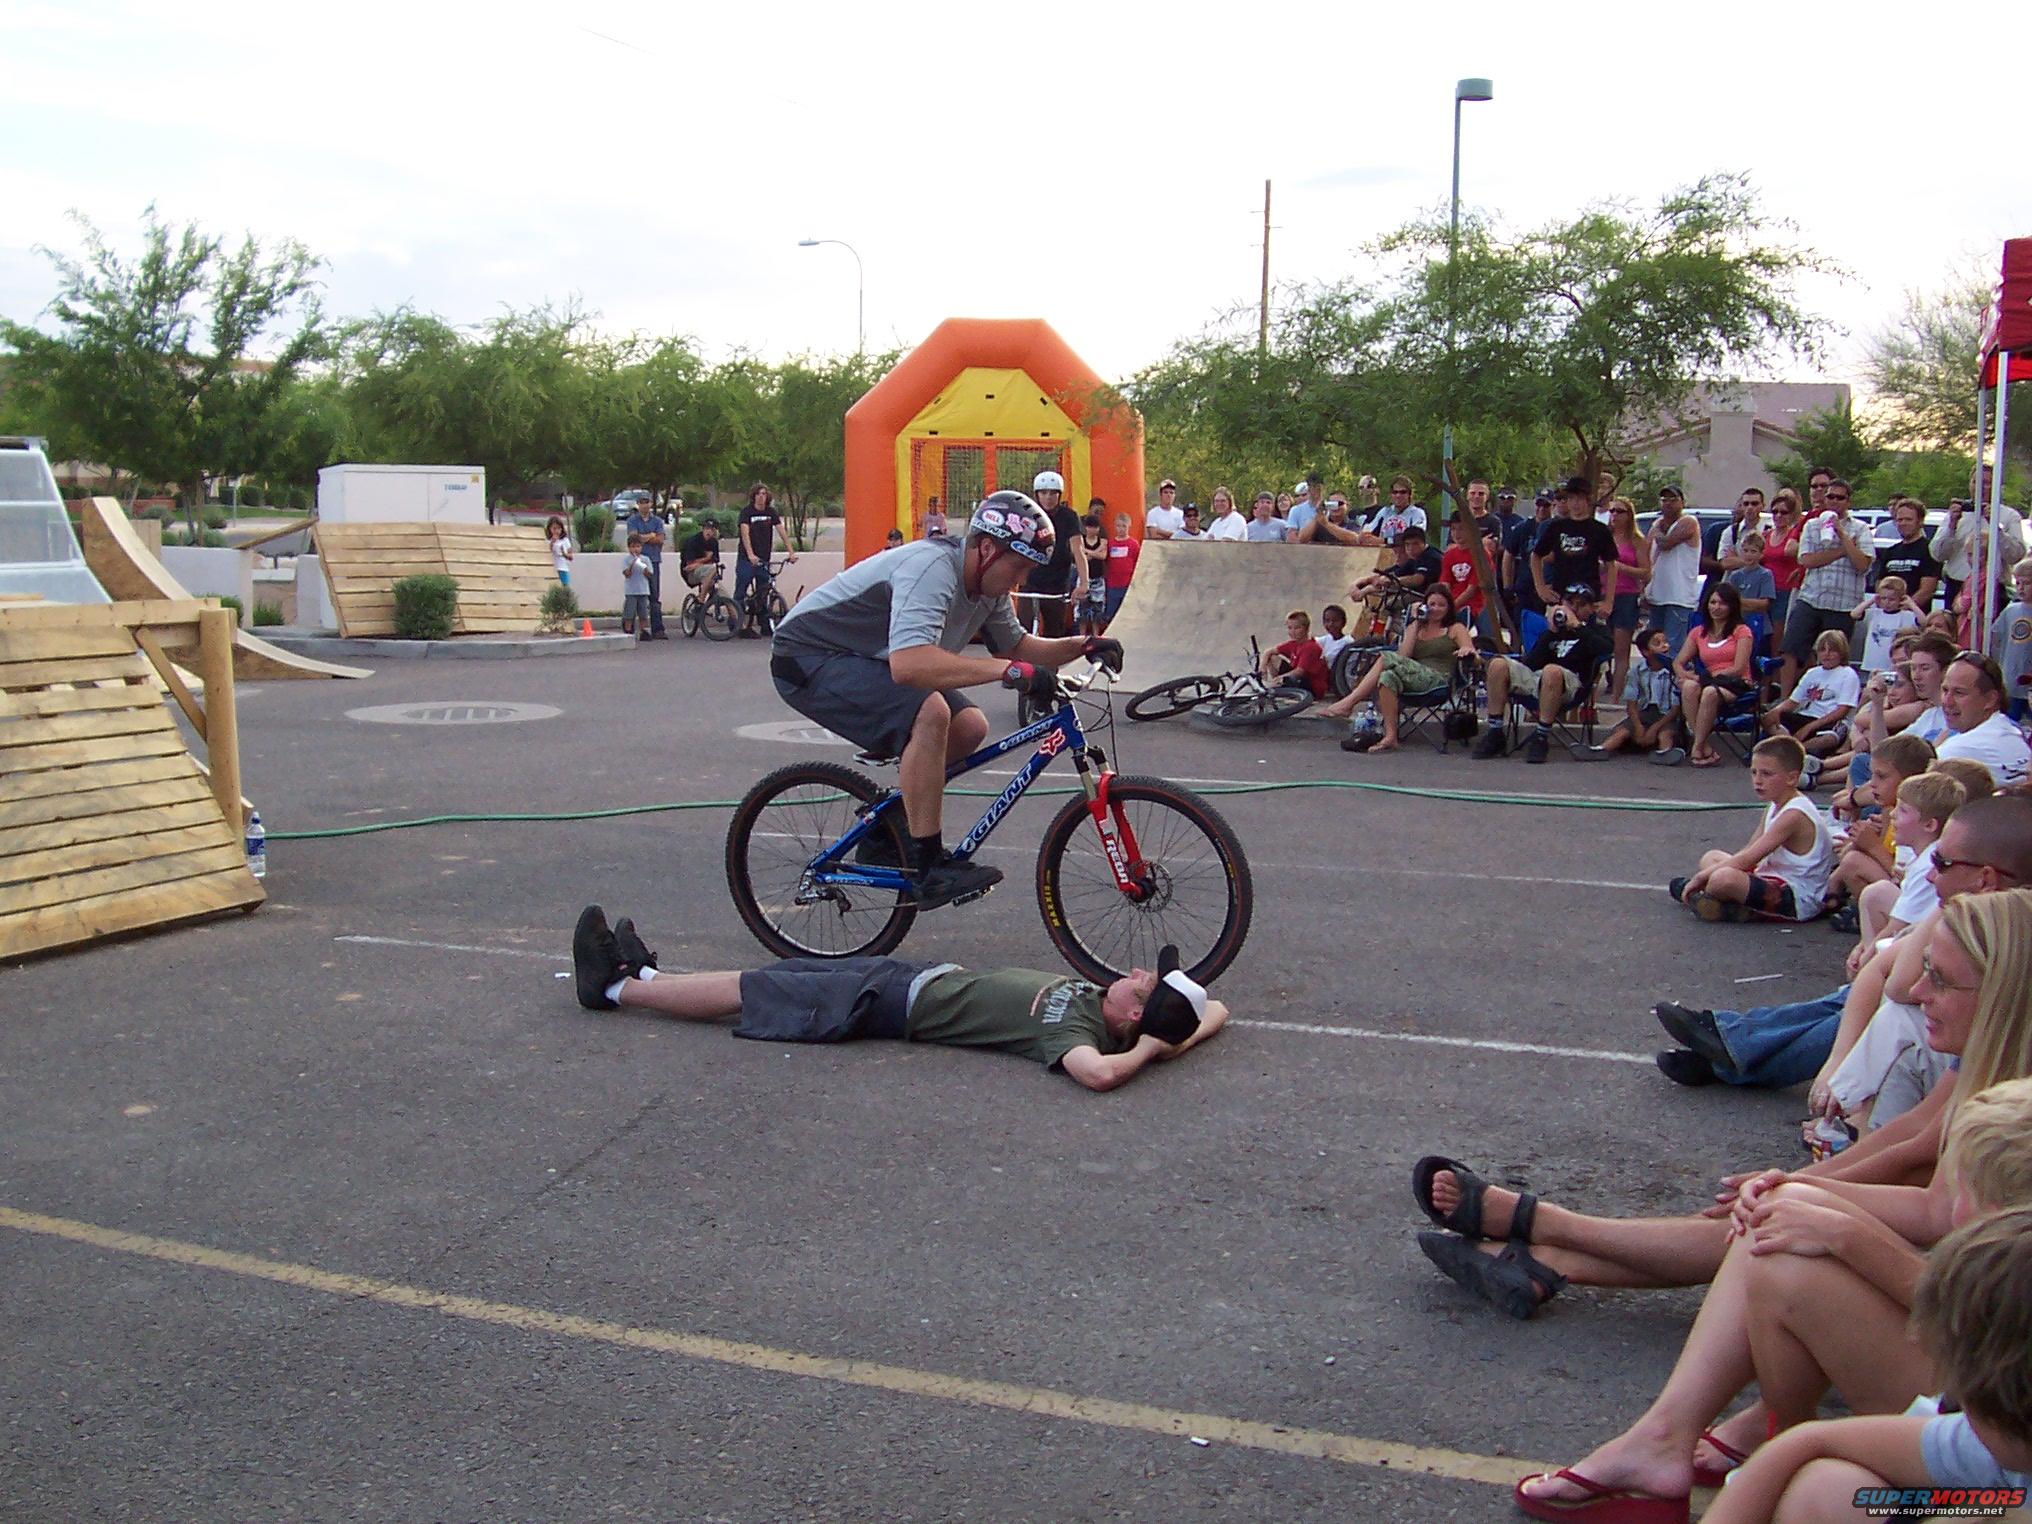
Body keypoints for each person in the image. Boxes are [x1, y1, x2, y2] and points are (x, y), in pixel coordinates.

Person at [1500, 893, 2032, 1519]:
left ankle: (1551, 1236)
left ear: (2002, 992)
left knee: (1781, 1252)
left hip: (1995, 1412)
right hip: (1984, 1412)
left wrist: (1842, 1232)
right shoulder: (1995, 1063)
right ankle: (1694, 1431)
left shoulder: (2016, 1123)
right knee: (1779, 1221)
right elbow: (1937, 1201)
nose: (1916, 992)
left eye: (1939, 979)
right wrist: (1800, 1188)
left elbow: (1979, 1307)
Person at [768, 491, 1122, 909]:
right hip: (806, 657)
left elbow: (1017, 646)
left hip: (867, 660)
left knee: (969, 726)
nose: (1021, 581)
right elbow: (909, 666)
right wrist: (1008, 672)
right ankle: (928, 866)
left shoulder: (988, 588)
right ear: (987, 549)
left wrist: (1083, 645)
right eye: (1019, 566)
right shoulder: (933, 569)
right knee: (931, 712)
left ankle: (886, 829)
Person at [570, 908, 1227, 1093]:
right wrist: (1169, 1040)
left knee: (756, 990)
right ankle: (647, 976)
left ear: (1134, 1014)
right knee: (779, 973)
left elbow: (1100, 1076)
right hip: (908, 974)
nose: (1135, 971)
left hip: (885, 1004)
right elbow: (1217, 1011)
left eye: (1144, 983)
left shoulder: (1078, 1037)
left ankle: (616, 988)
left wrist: (1146, 1048)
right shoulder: (1104, 1009)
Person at [1651, 796, 2032, 1091]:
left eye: (1942, 863)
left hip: (1947, 1048)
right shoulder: (1982, 913)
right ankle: (1731, 1040)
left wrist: (1945, 906)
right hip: (1929, 1014)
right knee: (1851, 999)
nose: (1932, 874)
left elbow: (1900, 986)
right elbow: (1879, 973)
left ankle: (1730, 1055)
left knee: (1887, 1011)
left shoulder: (2001, 932)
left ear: (1985, 880)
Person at [1700, 1197, 2032, 1524]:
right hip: (1994, 1501)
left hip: (1994, 1505)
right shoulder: (1993, 1445)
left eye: (1956, 1396)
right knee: (1826, 1488)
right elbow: (1809, 1440)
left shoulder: (2003, 1443)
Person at [1668, 735, 1832, 922]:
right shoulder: (1775, 805)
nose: (1758, 780)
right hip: (1769, 875)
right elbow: (1750, 849)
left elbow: (1749, 858)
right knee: (1711, 857)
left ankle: (1711, 899)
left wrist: (1700, 878)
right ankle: (1718, 903)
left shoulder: (1794, 814)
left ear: (1792, 778)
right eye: (1754, 772)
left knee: (1722, 879)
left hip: (1795, 895)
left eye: (1767, 774)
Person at [1471, 584, 1612, 763]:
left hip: (1572, 684)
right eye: (1570, 603)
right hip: (1539, 679)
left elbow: (1605, 649)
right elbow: (1531, 664)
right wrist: (1550, 633)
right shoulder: (1553, 630)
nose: (1574, 609)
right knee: (1497, 664)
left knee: (1551, 670)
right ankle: (1495, 732)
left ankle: (1541, 736)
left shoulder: (1595, 629)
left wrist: (1578, 627)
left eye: (1581, 604)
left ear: (1591, 608)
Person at [1329, 585, 1477, 754]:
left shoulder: (1455, 628)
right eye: (1432, 604)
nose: (1436, 609)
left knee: (1385, 658)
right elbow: (1403, 656)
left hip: (1439, 681)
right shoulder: (1417, 628)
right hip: (1413, 678)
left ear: (1449, 607)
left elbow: (1471, 651)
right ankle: (1391, 736)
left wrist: (1466, 650)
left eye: (1441, 605)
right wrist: (1415, 622)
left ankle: (1349, 703)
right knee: (1387, 676)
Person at [1779, 476, 1872, 696]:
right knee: (1790, 647)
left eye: (1840, 498)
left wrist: (1842, 534)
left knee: (1835, 654)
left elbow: (1862, 564)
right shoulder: (1812, 525)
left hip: (1843, 603)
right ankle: (1785, 698)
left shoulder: (1860, 528)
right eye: (1830, 497)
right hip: (1811, 598)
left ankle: (1830, 699)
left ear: (1848, 501)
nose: (1834, 501)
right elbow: (1806, 560)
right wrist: (1842, 551)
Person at [1673, 583, 1758, 768]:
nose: (1716, 607)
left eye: (1722, 603)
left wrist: (1707, 676)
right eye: (1713, 602)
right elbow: (1678, 662)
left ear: (1732, 606)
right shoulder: (1698, 632)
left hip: (1735, 682)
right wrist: (1685, 675)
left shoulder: (1742, 631)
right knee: (1689, 687)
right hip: (1708, 681)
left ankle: (1697, 747)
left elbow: (1739, 667)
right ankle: (1704, 746)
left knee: (1710, 692)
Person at [1932, 468, 2027, 612]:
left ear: (1996, 486)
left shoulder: (2008, 516)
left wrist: (1996, 527)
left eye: (1986, 483)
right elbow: (1937, 554)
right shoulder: (1957, 515)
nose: (1979, 487)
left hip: (1992, 589)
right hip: (1957, 586)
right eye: (1975, 482)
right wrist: (1951, 526)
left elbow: (2016, 555)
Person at [1935, 651, 2032, 790]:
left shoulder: (1960, 749)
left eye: (1959, 693)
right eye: (1945, 690)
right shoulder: (2010, 729)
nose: (1947, 701)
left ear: (1990, 699)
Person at [1763, 630, 1861, 757]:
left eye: (1832, 650)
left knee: (1829, 738)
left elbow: (1842, 711)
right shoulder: (1812, 673)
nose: (1827, 654)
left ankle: (1796, 750)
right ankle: (1794, 747)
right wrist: (1776, 710)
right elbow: (1793, 701)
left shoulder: (1848, 674)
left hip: (1829, 720)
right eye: (1822, 650)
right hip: (1805, 715)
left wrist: (1809, 727)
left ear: (1842, 653)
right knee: (1768, 719)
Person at [1596, 626, 1685, 761]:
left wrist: (1654, 728)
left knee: (1665, 734)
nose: (1664, 646)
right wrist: (1638, 726)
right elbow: (1631, 704)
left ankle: (1665, 753)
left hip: (1666, 715)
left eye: (1665, 642)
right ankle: (1601, 749)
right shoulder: (1637, 670)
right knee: (1622, 731)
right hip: (1644, 713)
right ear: (1645, 652)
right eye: (1657, 643)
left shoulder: (1674, 671)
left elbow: (1675, 709)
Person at [1018, 470, 1086, 640]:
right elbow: (1017, 547)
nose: (1048, 497)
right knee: (1023, 631)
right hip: (1029, 581)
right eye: (1043, 493)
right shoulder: (1028, 514)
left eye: (1053, 493)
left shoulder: (1068, 517)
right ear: (1037, 494)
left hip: (1056, 583)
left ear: (1059, 495)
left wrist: (1084, 583)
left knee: (1054, 633)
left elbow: (1078, 550)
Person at [1531, 477, 1618, 608]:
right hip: (1561, 595)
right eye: (1571, 498)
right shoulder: (1556, 527)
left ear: (1587, 500)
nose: (1575, 503)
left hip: (1589, 596)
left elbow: (1611, 564)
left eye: (1579, 499)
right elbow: (1536, 556)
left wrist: (1609, 601)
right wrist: (1540, 588)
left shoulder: (1600, 529)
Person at [1603, 497, 1653, 703]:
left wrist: (1619, 567)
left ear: (1629, 515)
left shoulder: (1637, 541)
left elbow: (1646, 572)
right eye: (1612, 511)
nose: (1614, 515)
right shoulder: (1604, 537)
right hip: (1602, 594)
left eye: (1619, 511)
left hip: (1626, 596)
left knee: (1621, 649)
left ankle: (1616, 696)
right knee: (1600, 646)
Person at [1645, 483, 1702, 656]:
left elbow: (1666, 543)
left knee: (1673, 648)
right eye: (1664, 499)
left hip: (1679, 597)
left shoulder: (1689, 522)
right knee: (1653, 647)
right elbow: (1647, 556)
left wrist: (1656, 530)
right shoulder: (1657, 524)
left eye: (1673, 499)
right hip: (1657, 595)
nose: (1668, 503)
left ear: (1682, 502)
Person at [735, 483, 791, 638]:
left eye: (764, 494)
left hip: (764, 558)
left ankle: (765, 624)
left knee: (764, 590)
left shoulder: (770, 512)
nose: (761, 497)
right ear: (753, 496)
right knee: (741, 589)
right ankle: (738, 624)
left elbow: (781, 531)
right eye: (758, 494)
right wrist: (750, 554)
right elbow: (745, 534)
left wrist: (791, 551)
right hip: (747, 559)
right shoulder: (747, 512)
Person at [1436, 510, 1497, 645]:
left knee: (1488, 640)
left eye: (1461, 529)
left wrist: (1450, 607)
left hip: (1476, 605)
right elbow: (1445, 583)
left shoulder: (1481, 554)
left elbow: (1472, 590)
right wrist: (1444, 604)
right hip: (1452, 603)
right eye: (1453, 529)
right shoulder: (1449, 555)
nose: (1457, 533)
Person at [1871, 497, 1942, 612]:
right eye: (1900, 520)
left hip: (1914, 617)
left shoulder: (1930, 550)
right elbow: (1880, 584)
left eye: (1908, 519)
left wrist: (1902, 609)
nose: (1903, 523)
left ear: (1920, 521)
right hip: (1887, 616)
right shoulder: (1890, 551)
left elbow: (1927, 590)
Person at [1762, 488, 1807, 658]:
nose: (1778, 515)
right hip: (1765, 592)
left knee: (1778, 638)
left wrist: (1798, 570)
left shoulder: (1793, 537)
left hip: (1784, 591)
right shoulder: (1765, 535)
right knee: (1761, 637)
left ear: (1791, 514)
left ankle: (1777, 673)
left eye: (1784, 512)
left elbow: (1804, 559)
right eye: (1775, 511)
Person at [1503, 488, 1555, 628]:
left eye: (1546, 505)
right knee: (1519, 627)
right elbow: (1508, 555)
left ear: (1553, 506)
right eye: (1539, 504)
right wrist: (1508, 587)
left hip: (1548, 587)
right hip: (1525, 587)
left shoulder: (1556, 528)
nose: (1541, 509)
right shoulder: (1523, 527)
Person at [1850, 573, 1921, 674]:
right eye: (1883, 598)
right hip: (1871, 664)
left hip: (1892, 665)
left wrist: (1911, 604)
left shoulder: (1907, 616)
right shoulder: (1874, 614)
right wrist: (1872, 600)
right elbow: (1854, 614)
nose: (1887, 602)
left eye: (1892, 599)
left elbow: (1924, 622)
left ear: (1901, 599)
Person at [1993, 555, 2032, 723]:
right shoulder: (2011, 611)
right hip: (2011, 681)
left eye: (2027, 583)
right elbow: (1997, 638)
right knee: (2009, 723)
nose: (2021, 588)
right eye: (2018, 583)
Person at [1259, 609, 1330, 698]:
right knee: (1272, 658)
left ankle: (1280, 688)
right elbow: (1269, 651)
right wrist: (1262, 668)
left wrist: (1280, 678)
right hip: (1298, 678)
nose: (1292, 631)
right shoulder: (1294, 644)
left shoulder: (1310, 647)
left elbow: (1299, 672)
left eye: (1297, 628)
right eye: (1290, 628)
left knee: (1285, 679)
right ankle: (1278, 686)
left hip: (1311, 686)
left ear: (1306, 629)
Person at [623, 498, 668, 639]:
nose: (644, 505)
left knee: (654, 596)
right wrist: (651, 535)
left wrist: (642, 537)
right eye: (641, 503)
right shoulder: (632, 520)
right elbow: (633, 538)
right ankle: (628, 628)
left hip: (653, 560)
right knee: (633, 598)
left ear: (651, 504)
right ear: (638, 505)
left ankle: (657, 629)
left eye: (647, 502)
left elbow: (660, 539)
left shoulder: (658, 521)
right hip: (635, 560)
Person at [1364, 476, 1427, 546]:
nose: (1398, 495)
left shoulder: (1417, 513)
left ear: (1409, 494)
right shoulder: (1385, 511)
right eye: (1395, 492)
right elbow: (1370, 528)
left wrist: (1384, 540)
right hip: (1383, 551)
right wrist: (1364, 535)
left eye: (1403, 492)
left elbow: (1414, 537)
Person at [1101, 510, 1139, 627]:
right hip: (1112, 584)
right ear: (1115, 526)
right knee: (1110, 615)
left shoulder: (1133, 544)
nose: (1121, 529)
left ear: (1129, 526)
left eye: (1124, 526)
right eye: (1118, 526)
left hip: (1128, 585)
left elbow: (1137, 563)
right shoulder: (1110, 543)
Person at [1075, 511, 1108, 634]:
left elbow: (1103, 556)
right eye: (1089, 527)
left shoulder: (1101, 541)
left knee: (1097, 612)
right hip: (1083, 578)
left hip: (1098, 579)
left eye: (1095, 527)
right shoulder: (1081, 540)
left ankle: (1096, 635)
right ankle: (1081, 636)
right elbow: (1079, 554)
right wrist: (1094, 553)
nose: (1092, 530)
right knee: (1081, 611)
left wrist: (1088, 552)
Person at [679, 517, 725, 602]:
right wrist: (706, 558)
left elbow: (714, 560)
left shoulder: (714, 543)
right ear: (703, 529)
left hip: (707, 572)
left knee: (722, 592)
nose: (709, 532)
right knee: (712, 569)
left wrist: (699, 564)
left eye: (712, 530)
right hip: (690, 574)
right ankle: (701, 598)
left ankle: (733, 609)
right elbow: (690, 564)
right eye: (707, 529)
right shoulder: (693, 541)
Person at [620, 533, 652, 640]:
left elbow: (649, 574)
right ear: (629, 548)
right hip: (631, 591)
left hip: (643, 590)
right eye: (633, 547)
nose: (635, 549)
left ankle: (644, 631)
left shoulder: (646, 559)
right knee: (629, 613)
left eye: (638, 546)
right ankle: (628, 631)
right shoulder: (626, 560)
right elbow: (627, 574)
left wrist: (643, 567)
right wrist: (632, 564)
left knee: (643, 614)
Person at [544, 514, 574, 587]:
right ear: (549, 529)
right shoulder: (548, 541)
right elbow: (547, 551)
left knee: (565, 587)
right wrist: (552, 542)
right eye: (554, 528)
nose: (557, 531)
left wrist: (564, 554)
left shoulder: (565, 540)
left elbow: (571, 556)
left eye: (559, 528)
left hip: (563, 568)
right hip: (552, 568)